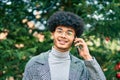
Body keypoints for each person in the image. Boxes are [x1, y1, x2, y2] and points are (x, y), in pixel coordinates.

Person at [22, 11, 106, 80]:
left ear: (75, 38)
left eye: (69, 33)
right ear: (53, 34)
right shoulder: (34, 63)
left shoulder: (81, 67)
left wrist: (87, 56)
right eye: (59, 31)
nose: (63, 36)